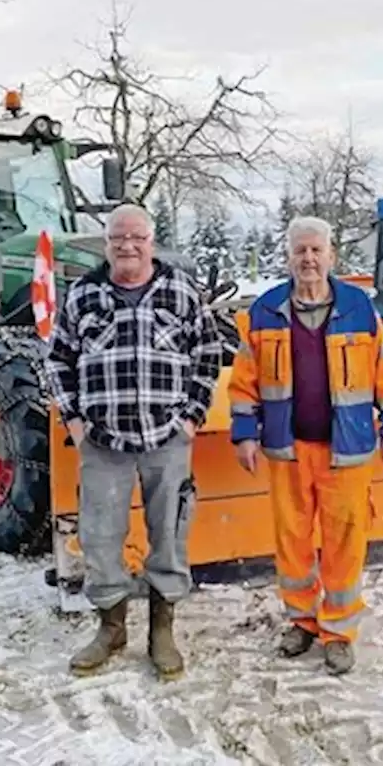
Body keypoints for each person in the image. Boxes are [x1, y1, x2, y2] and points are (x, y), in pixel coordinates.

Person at [44, 203, 222, 680]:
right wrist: (75, 421)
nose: (127, 245)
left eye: (136, 237)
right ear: (106, 244)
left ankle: (162, 631)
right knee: (101, 538)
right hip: (101, 441)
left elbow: (207, 353)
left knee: (169, 533)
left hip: (167, 438)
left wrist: (191, 417)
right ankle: (111, 628)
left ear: (151, 242)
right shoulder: (82, 294)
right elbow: (57, 358)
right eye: (118, 237)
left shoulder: (181, 291)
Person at [227, 215, 383, 675]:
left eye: (316, 250)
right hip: (287, 449)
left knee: (346, 539)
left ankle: (339, 630)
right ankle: (302, 621)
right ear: (288, 257)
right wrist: (245, 433)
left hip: (347, 450)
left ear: (332, 256)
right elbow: (245, 382)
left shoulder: (360, 310)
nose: (308, 259)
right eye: (299, 251)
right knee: (292, 540)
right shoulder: (264, 312)